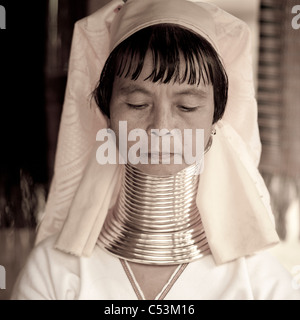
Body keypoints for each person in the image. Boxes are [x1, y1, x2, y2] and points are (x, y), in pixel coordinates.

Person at [11, 0, 300, 300]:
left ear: (216, 119)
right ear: (106, 114)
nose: (161, 128)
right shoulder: (53, 272)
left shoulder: (261, 282)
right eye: (137, 104)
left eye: (187, 106)